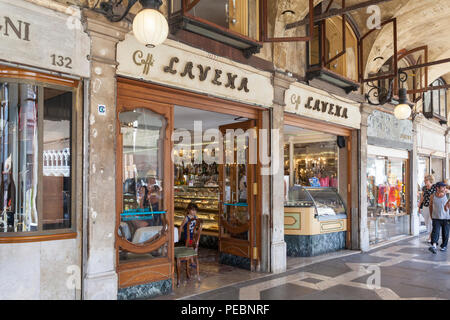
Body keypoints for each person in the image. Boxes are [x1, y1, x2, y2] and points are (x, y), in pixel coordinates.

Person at [428, 181, 450, 254]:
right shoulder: (432, 196)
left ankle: (444, 246)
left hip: (446, 218)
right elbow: (430, 206)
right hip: (436, 217)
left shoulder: (447, 195)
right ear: (437, 188)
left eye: (445, 187)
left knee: (445, 233)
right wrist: (431, 215)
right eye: (443, 187)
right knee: (435, 232)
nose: (444, 188)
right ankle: (434, 245)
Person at [418, 175, 436, 243]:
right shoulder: (424, 188)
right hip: (425, 206)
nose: (425, 181)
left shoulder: (435, 187)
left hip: (432, 206)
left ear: (430, 180)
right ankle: (430, 234)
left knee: (431, 221)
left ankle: (431, 236)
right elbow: (422, 197)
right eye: (424, 180)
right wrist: (420, 204)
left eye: (426, 180)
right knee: (426, 221)